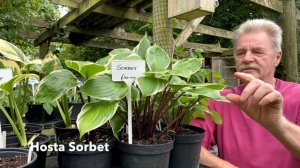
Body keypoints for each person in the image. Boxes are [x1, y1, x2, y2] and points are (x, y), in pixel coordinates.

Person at [192, 18, 300, 168]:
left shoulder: (297, 95)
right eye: (241, 53)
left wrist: (278, 125)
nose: (247, 58)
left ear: (277, 57)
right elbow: (192, 147)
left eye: (257, 51)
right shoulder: (218, 100)